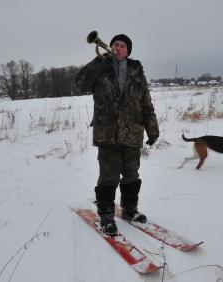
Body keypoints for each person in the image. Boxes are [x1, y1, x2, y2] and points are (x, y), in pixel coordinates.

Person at [74, 33, 159, 236]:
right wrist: (98, 62)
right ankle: (106, 217)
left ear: (128, 51)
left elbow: (146, 102)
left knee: (131, 175)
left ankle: (129, 210)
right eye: (114, 45)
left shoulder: (137, 72)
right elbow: (79, 85)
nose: (117, 48)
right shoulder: (101, 68)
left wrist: (152, 128)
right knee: (108, 177)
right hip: (107, 133)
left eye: (122, 45)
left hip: (132, 132)